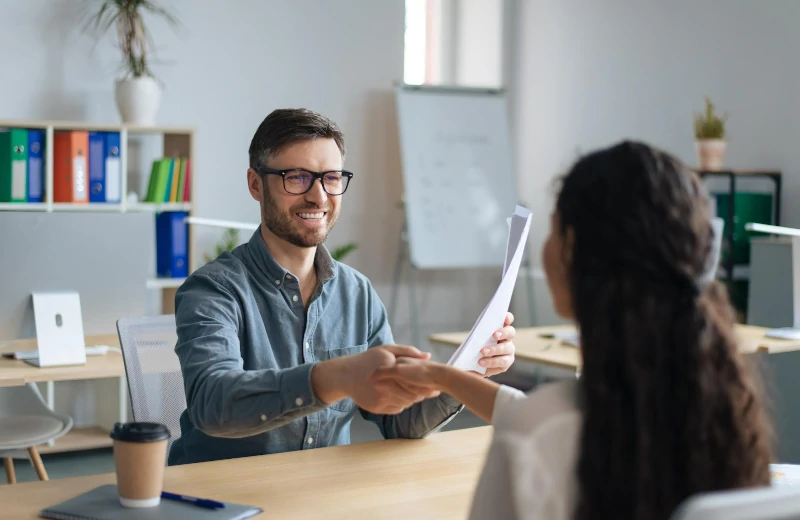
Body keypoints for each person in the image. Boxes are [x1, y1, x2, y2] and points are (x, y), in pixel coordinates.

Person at [370, 140, 773, 520]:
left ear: (571, 248)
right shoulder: (726, 407)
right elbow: (537, 413)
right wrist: (444, 376)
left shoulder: (535, 439)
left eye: (553, 226)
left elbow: (543, 423)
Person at [168, 108, 517, 465]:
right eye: (297, 177)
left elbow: (400, 422)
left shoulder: (357, 293)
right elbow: (212, 404)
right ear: (256, 184)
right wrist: (332, 378)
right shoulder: (213, 290)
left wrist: (468, 371)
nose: (319, 197)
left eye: (331, 178)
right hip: (220, 500)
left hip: (321, 495)